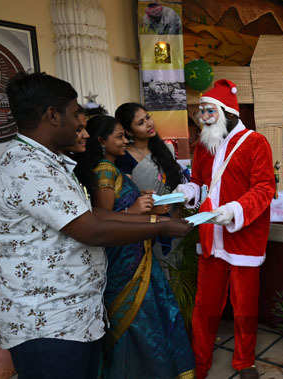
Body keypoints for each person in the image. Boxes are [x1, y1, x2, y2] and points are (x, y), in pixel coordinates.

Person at [0, 72, 193, 379]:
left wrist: (156, 220)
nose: (79, 126)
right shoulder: (27, 166)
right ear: (52, 115)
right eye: (74, 116)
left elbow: (92, 215)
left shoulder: (49, 162)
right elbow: (91, 229)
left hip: (73, 317)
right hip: (48, 323)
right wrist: (160, 227)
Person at [74, 115, 195, 378]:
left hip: (140, 253)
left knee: (153, 316)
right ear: (101, 141)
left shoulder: (114, 169)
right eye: (119, 136)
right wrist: (138, 210)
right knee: (139, 320)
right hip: (125, 261)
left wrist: (146, 206)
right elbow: (102, 220)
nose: (125, 140)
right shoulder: (105, 171)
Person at [175, 79, 275, 379]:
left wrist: (234, 210)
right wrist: (189, 191)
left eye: (209, 112)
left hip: (243, 238)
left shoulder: (256, 143)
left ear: (228, 112)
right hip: (209, 237)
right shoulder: (204, 146)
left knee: (244, 305)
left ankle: (245, 361)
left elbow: (265, 187)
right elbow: (201, 181)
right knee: (205, 305)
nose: (204, 119)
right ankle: (199, 360)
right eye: (201, 113)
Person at [115, 102, 184, 259]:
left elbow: (174, 183)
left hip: (173, 221)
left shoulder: (164, 150)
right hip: (144, 226)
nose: (149, 124)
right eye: (141, 123)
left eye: (148, 118)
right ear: (128, 131)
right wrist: (152, 209)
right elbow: (125, 198)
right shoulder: (124, 158)